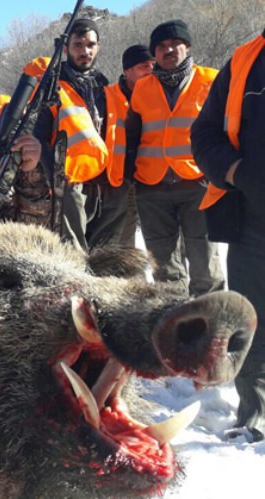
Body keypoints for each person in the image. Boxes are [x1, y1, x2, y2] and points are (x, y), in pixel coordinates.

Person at [191, 28, 265, 442]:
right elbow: (203, 135)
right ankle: (253, 417)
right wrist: (237, 171)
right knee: (253, 323)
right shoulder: (244, 60)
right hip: (253, 219)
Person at [126, 19, 225, 296]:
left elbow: (228, 129)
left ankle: (211, 324)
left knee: (206, 262)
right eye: (161, 46)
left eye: (174, 44)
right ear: (154, 53)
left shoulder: (212, 80)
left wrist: (220, 170)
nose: (168, 50)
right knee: (163, 267)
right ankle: (172, 326)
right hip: (152, 187)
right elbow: (132, 134)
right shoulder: (143, 87)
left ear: (187, 46)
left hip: (198, 184)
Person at [32, 18, 129, 252]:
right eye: (77, 45)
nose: (84, 51)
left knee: (106, 255)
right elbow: (38, 137)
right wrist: (56, 176)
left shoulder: (105, 87)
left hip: (108, 182)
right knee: (74, 254)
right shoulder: (52, 87)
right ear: (66, 49)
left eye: (90, 45)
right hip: (71, 184)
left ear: (99, 46)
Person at [108, 44, 155, 246]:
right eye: (144, 66)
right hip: (121, 181)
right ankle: (127, 277)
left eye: (153, 64)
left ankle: (170, 278)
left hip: (154, 177)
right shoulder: (107, 95)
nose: (151, 69)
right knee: (123, 238)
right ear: (127, 71)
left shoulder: (160, 94)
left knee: (162, 239)